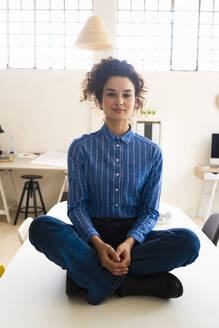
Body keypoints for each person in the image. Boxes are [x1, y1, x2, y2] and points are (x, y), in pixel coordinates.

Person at [29, 57, 200, 305]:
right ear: (99, 99)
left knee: (189, 242)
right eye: (111, 94)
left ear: (136, 101)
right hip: (91, 236)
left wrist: (130, 243)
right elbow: (76, 207)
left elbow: (150, 210)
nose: (119, 101)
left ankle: (89, 277)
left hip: (134, 239)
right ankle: (132, 283)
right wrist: (97, 245)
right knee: (41, 227)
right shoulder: (80, 148)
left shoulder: (152, 153)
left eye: (127, 95)